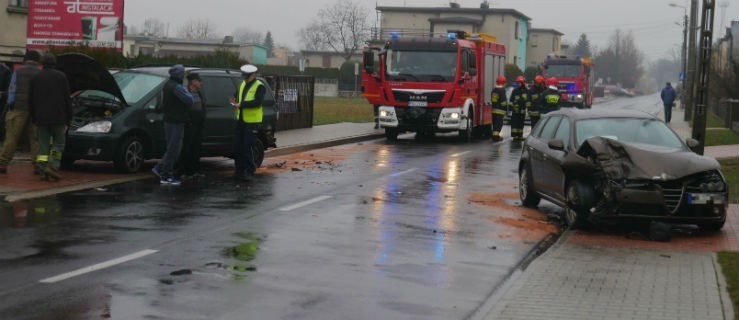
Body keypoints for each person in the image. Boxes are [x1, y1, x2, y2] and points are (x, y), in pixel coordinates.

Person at [28, 53, 73, 181]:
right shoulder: (61, 77)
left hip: (41, 118)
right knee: (58, 143)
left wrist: (34, 117)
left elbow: (31, 100)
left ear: (42, 63)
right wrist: (69, 116)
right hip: (58, 117)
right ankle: (52, 166)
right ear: (54, 63)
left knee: (43, 145)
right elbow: (67, 99)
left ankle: (42, 169)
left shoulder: (36, 78)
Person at [152, 64, 194, 185]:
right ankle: (166, 175)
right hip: (176, 121)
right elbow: (190, 100)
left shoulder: (167, 85)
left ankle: (159, 168)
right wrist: (188, 92)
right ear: (179, 75)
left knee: (171, 147)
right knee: (174, 149)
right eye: (183, 73)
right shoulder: (177, 87)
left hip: (168, 120)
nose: (185, 75)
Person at [0, 50, 41, 174]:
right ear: (37, 60)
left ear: (25, 59)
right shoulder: (40, 73)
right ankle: (37, 165)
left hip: (18, 108)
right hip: (35, 110)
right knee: (35, 139)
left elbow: (12, 90)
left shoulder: (18, 72)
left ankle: (3, 163)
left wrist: (11, 104)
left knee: (11, 137)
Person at [230, 64, 265, 181]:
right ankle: (239, 170)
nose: (245, 78)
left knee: (248, 147)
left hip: (251, 122)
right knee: (237, 146)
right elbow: (237, 95)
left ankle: (249, 171)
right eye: (244, 76)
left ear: (253, 75)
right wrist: (233, 100)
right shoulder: (243, 83)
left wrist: (242, 104)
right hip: (240, 120)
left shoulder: (260, 86)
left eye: (247, 76)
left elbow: (257, 102)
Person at [177, 72, 206, 180]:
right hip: (189, 125)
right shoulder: (185, 92)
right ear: (193, 82)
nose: (201, 83)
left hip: (198, 125)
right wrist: (188, 121)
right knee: (187, 148)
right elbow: (183, 110)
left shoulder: (199, 93)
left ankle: (194, 170)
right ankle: (184, 171)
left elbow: (202, 107)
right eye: (199, 81)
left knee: (196, 148)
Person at [509, 75, 530, 140]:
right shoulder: (515, 91)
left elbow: (528, 101)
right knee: (514, 123)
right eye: (517, 83)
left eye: (519, 83)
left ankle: (520, 136)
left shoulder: (526, 91)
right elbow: (511, 100)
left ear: (523, 83)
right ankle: (515, 136)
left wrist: (528, 109)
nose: (518, 84)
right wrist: (510, 107)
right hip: (515, 111)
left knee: (521, 124)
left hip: (522, 111)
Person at [490, 75, 508, 142]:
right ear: (503, 82)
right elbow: (503, 101)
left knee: (495, 123)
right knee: (499, 124)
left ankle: (494, 135)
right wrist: (506, 109)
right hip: (500, 111)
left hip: (494, 110)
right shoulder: (502, 90)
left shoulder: (494, 90)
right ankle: (496, 137)